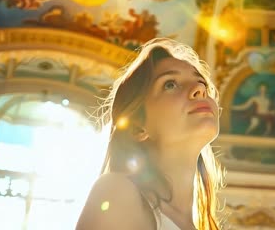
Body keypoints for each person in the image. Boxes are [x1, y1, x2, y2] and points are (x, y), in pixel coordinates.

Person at [76, 38, 224, 230]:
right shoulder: (118, 192)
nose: (200, 89)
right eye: (170, 84)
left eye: (201, 82)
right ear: (138, 126)